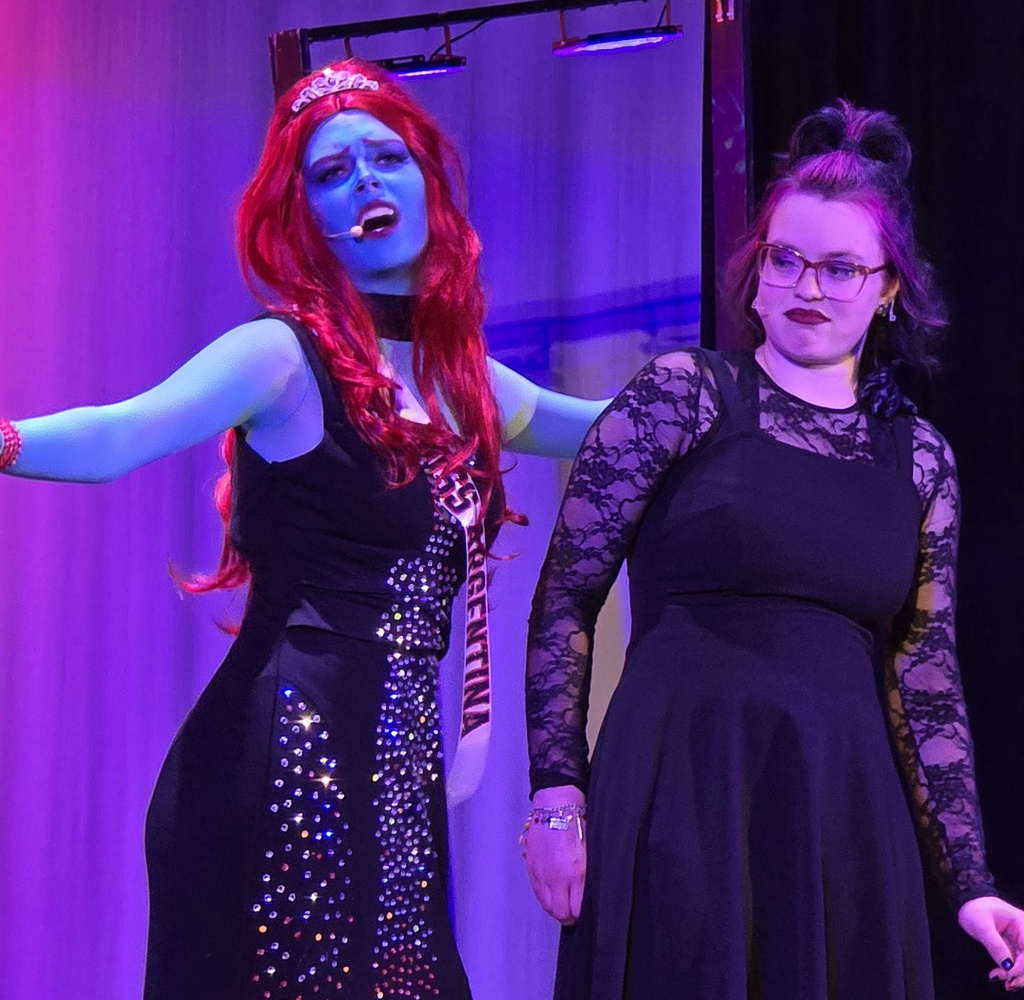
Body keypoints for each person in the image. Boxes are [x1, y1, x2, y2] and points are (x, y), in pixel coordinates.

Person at [0, 59, 606, 999]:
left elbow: (622, 427)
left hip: (395, 777)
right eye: (331, 173)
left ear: (426, 186)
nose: (365, 181)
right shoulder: (280, 356)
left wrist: (772, 388)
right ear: (307, 218)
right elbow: (120, 434)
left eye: (385, 158)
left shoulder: (470, 384)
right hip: (281, 766)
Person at [523, 99, 1024, 999]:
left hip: (838, 808)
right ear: (756, 274)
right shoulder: (685, 395)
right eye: (787, 260)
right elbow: (566, 594)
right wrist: (557, 797)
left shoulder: (920, 461)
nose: (809, 287)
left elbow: (927, 677)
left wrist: (972, 884)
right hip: (679, 784)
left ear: (888, 291)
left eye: (840, 269)